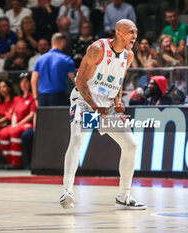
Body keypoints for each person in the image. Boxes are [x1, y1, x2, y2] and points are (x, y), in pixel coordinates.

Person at [59, 19, 147, 210]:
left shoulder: (128, 55)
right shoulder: (97, 48)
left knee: (130, 145)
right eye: (131, 32)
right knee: (77, 139)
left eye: (136, 32)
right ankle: (67, 191)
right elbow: (80, 80)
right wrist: (93, 106)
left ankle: (124, 195)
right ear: (119, 32)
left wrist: (118, 101)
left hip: (105, 106)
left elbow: (118, 80)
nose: (135, 36)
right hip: (85, 101)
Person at [0, 73, 36, 169]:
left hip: (28, 124)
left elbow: (31, 114)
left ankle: (17, 162)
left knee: (14, 131)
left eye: (26, 81)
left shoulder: (32, 97)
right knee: (3, 132)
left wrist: (18, 124)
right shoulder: (17, 98)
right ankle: (9, 160)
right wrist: (13, 124)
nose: (24, 84)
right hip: (17, 124)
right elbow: (14, 113)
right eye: (21, 82)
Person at [31, 32, 76, 107]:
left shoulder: (40, 59)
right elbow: (74, 80)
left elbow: (33, 80)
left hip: (42, 97)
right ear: (62, 43)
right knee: (59, 118)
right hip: (59, 96)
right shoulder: (66, 59)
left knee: (44, 119)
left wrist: (35, 97)